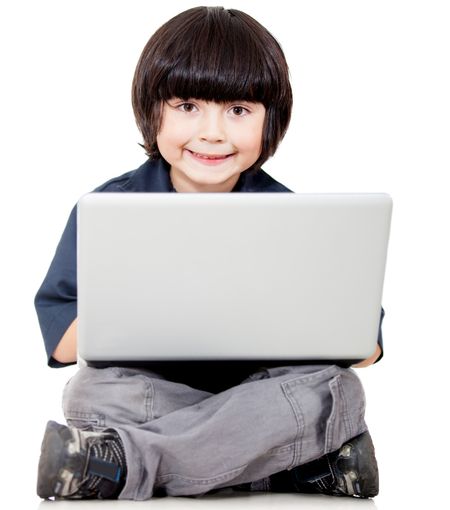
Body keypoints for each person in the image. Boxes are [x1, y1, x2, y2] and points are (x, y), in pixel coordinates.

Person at [35, 6, 384, 501]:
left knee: (336, 391)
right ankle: (292, 467)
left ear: (271, 121)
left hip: (258, 394)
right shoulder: (110, 209)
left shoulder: (294, 218)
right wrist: (147, 302)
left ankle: (120, 463)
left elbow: (365, 350)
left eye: (238, 111)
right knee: (91, 392)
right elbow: (63, 346)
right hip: (156, 395)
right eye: (187, 106)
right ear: (152, 109)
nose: (213, 132)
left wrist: (294, 312)